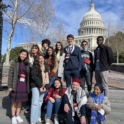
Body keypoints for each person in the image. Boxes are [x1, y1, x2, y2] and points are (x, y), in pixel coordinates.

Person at [8, 49, 30, 124]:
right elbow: (10, 74)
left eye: (25, 54)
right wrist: (10, 86)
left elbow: (28, 75)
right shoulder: (14, 62)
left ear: (26, 56)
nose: (23, 55)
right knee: (14, 101)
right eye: (22, 54)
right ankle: (13, 116)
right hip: (15, 84)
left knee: (20, 101)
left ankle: (17, 115)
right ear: (19, 54)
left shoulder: (27, 63)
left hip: (23, 84)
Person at [30, 54, 49, 124]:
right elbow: (34, 77)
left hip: (43, 87)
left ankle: (38, 116)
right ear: (37, 60)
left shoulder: (46, 66)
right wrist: (40, 86)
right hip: (35, 86)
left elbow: (47, 78)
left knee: (40, 102)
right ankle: (33, 120)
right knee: (35, 103)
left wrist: (45, 86)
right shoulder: (35, 66)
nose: (41, 60)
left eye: (42, 58)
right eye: (39, 58)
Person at [22, 44, 41, 114]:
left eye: (35, 48)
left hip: (35, 75)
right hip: (28, 75)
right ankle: (28, 105)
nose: (34, 49)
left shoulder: (38, 56)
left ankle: (33, 106)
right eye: (33, 48)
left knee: (34, 91)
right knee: (28, 91)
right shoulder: (29, 56)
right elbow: (25, 62)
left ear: (37, 49)